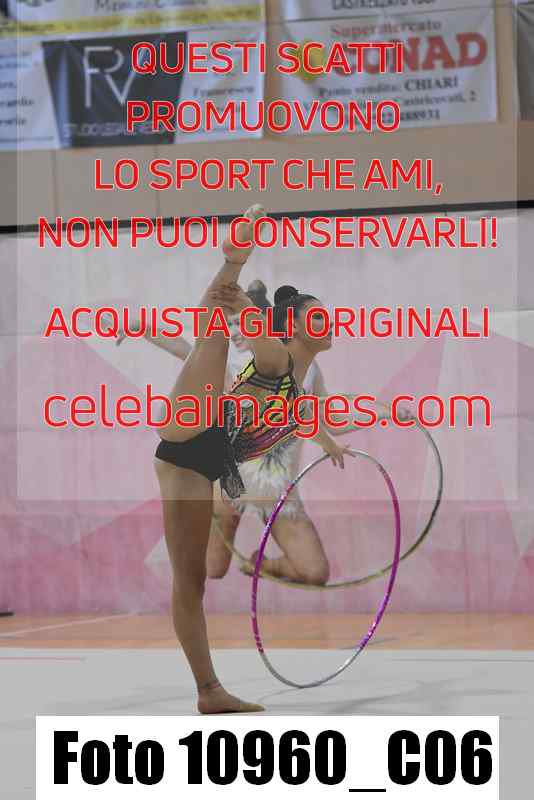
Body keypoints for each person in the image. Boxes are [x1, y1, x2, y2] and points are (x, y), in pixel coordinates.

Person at [153, 205, 351, 713]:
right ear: (294, 327)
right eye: (317, 317)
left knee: (193, 581)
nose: (329, 323)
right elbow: (259, 340)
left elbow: (304, 418)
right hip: (194, 428)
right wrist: (244, 302)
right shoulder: (277, 359)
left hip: (197, 462)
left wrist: (332, 441)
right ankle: (235, 257)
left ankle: (209, 692)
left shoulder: (301, 384)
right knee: (212, 336)